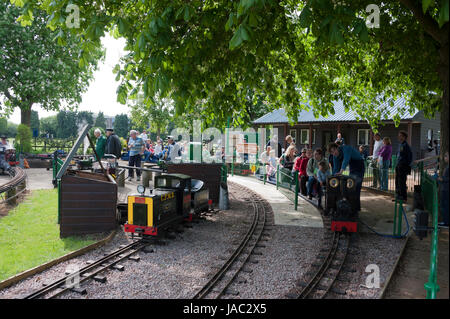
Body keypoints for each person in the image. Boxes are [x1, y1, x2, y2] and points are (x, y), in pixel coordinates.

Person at [328, 142, 365, 212]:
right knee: (350, 186)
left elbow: (346, 159)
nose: (334, 153)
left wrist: (341, 171)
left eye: (334, 151)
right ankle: (344, 206)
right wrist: (333, 178)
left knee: (355, 186)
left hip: (359, 165)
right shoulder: (334, 156)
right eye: (331, 152)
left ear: (337, 148)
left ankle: (355, 209)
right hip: (352, 167)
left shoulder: (346, 148)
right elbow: (335, 168)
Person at [395, 131, 413, 201]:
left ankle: (403, 197)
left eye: (401, 136)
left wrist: (405, 165)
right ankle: (399, 195)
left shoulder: (406, 146)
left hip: (403, 166)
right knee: (398, 181)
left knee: (402, 182)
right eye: (399, 136)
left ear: (404, 137)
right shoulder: (400, 145)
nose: (399, 137)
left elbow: (409, 157)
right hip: (398, 165)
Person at [438, 151, 449, 227]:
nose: (445, 157)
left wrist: (443, 179)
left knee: (446, 206)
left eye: (446, 156)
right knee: (444, 205)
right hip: (444, 188)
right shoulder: (447, 166)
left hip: (447, 189)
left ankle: (446, 222)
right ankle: (445, 221)